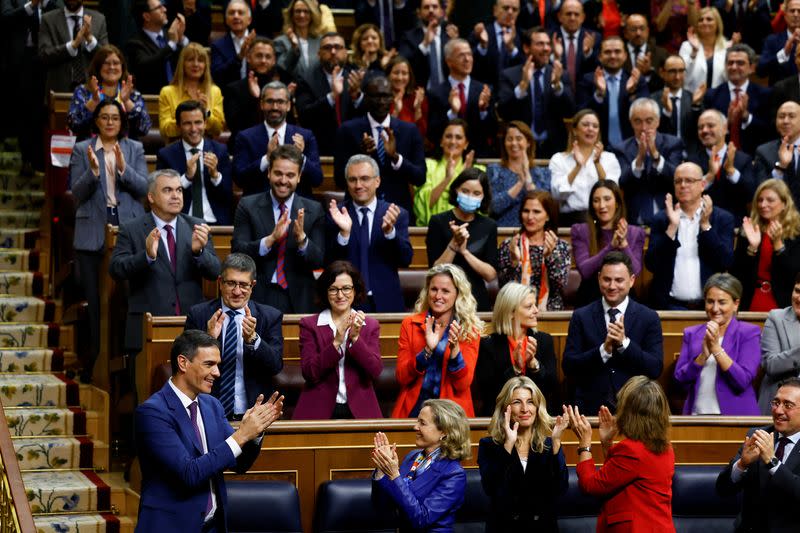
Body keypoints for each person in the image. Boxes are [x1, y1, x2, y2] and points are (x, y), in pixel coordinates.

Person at [135, 330, 283, 533]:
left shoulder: (212, 405)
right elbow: (189, 473)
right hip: (171, 526)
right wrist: (241, 435)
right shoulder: (152, 412)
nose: (217, 373)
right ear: (183, 363)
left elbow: (239, 464)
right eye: (209, 364)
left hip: (213, 526)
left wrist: (255, 432)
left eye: (217, 365)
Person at [70, 98, 148, 383]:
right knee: (96, 303)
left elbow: (145, 189)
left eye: (115, 117)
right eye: (105, 117)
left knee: (128, 300)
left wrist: (124, 170)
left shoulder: (134, 148)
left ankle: (126, 367)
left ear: (121, 121)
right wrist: (93, 172)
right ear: (97, 120)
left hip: (127, 227)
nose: (110, 122)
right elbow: (76, 193)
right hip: (92, 233)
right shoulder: (82, 149)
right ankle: (96, 364)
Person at [109, 169, 221, 359]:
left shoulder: (197, 226)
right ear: (151, 197)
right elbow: (116, 269)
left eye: (179, 190)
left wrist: (198, 252)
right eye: (168, 190)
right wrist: (147, 256)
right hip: (148, 327)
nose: (176, 196)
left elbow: (215, 272)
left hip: (191, 328)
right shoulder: (131, 228)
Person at [184, 253, 284, 420]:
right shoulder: (199, 315)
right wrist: (208, 339)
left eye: (243, 285)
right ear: (220, 283)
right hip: (207, 413)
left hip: (253, 414)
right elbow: (185, 367)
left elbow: (275, 366)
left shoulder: (269, 316)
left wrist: (253, 339)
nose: (237, 291)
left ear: (253, 285)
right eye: (231, 283)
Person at [569, 376, 675, 532]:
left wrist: (584, 445)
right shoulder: (667, 449)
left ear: (629, 412)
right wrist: (607, 444)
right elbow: (618, 477)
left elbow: (591, 486)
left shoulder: (631, 450)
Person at [562, 252, 663, 413]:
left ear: (632, 281)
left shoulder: (649, 317)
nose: (612, 286)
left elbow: (655, 368)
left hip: (635, 409)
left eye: (619, 280)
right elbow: (569, 366)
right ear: (598, 278)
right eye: (607, 279)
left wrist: (625, 344)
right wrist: (604, 350)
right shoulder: (581, 316)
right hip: (589, 408)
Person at [231, 145, 324, 314]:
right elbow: (237, 253)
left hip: (300, 297)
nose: (283, 180)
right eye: (278, 173)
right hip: (258, 296)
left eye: (290, 175)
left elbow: (319, 260)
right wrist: (270, 240)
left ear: (299, 177)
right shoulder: (247, 205)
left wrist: (302, 240)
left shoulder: (314, 209)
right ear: (268, 173)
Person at [392, 264, 484, 418]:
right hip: (414, 409)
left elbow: (462, 385)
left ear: (458, 294)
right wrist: (427, 350)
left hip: (452, 414)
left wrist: (455, 350)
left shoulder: (469, 329)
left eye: (445, 291)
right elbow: (402, 377)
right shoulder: (410, 324)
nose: (438, 296)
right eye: (434, 289)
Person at [477, 376, 568, 532]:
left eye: (531, 402)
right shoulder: (489, 445)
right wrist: (508, 445)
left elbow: (560, 489)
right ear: (506, 408)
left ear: (537, 407)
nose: (525, 409)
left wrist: (556, 443)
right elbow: (491, 488)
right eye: (517, 402)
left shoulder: (548, 445)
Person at [295, 260, 383, 419]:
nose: (340, 295)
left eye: (346, 288)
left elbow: (375, 371)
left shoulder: (370, 325)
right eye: (333, 289)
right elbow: (310, 373)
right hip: (318, 408)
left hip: (360, 409)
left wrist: (355, 339)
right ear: (325, 292)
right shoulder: (309, 325)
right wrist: (336, 342)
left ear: (355, 290)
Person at [326, 155, 412, 313]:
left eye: (365, 178)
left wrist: (390, 233)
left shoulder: (395, 213)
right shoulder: (336, 214)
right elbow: (329, 262)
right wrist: (344, 235)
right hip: (346, 302)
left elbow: (406, 259)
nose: (358, 185)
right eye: (352, 179)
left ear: (377, 181)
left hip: (387, 301)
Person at [334, 75, 427, 219]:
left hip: (397, 212)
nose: (381, 102)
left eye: (385, 96)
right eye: (375, 97)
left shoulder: (409, 131)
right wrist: (362, 156)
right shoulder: (348, 130)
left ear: (392, 98)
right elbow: (339, 180)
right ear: (365, 97)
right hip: (358, 213)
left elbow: (420, 177)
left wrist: (395, 157)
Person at [645, 162, 735, 310]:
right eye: (678, 181)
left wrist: (706, 226)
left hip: (710, 308)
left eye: (689, 180)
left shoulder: (721, 218)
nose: (683, 185)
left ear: (703, 185)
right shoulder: (662, 219)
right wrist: (672, 228)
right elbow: (651, 264)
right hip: (670, 306)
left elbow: (725, 262)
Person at [371, 399, 470, 531]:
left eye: (422, 423)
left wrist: (394, 475)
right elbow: (383, 507)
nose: (415, 427)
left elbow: (421, 519)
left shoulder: (453, 474)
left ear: (444, 432)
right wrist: (382, 469)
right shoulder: (412, 457)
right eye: (417, 421)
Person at [716, 376, 800, 531]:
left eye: (787, 405)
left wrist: (772, 462)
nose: (778, 410)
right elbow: (722, 489)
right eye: (776, 403)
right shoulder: (757, 434)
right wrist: (742, 465)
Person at [673, 273, 762, 415]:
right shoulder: (692, 333)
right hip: (696, 416)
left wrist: (716, 349)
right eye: (710, 301)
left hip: (737, 417)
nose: (714, 308)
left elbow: (742, 381)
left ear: (736, 304)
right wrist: (702, 357)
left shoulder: (749, 333)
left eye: (722, 302)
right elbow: (680, 381)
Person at [475, 283, 557, 416]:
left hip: (538, 418)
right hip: (500, 418)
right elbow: (489, 392)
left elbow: (551, 387)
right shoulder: (488, 344)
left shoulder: (544, 340)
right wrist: (516, 369)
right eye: (529, 306)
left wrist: (533, 364)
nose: (536, 310)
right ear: (511, 312)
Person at [233, 81, 322, 198]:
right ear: (262, 104)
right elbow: (240, 180)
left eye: (280, 102)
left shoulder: (305, 136)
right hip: (258, 208)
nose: (275, 107)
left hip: (297, 207)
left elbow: (317, 180)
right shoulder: (245, 137)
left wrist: (300, 157)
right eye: (270, 101)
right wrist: (267, 159)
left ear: (289, 105)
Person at [497, 26, 574, 159]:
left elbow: (570, 111)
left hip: (553, 149)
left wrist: (557, 86)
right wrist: (522, 87)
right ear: (527, 48)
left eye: (548, 44)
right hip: (520, 149)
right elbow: (503, 112)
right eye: (540, 44)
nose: (546, 49)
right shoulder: (510, 75)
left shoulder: (559, 74)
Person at [427, 168, 498, 311]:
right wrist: (454, 244)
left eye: (476, 193)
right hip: (443, 299)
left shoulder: (489, 225)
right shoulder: (438, 221)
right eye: (465, 191)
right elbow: (435, 270)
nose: (470, 196)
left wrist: (465, 252)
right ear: (455, 191)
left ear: (484, 196)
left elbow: (490, 275)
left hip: (476, 300)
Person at [156, 100, 233, 225]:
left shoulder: (220, 151)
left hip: (215, 223)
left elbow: (228, 195)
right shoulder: (166, 155)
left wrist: (215, 175)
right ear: (178, 126)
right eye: (187, 123)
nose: (193, 129)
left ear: (205, 123)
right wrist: (186, 178)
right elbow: (162, 196)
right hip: (180, 223)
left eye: (198, 122)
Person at [570, 179, 645, 306]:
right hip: (590, 299)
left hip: (624, 298)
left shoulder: (635, 233)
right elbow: (585, 270)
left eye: (607, 199)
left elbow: (636, 272)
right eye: (596, 200)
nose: (601, 205)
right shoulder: (580, 231)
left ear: (617, 203)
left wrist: (624, 245)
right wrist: (611, 246)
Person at [613, 97, 685, 225]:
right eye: (638, 121)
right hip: (634, 221)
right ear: (631, 123)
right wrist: (639, 158)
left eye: (649, 121)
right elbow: (622, 182)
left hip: (668, 219)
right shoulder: (622, 149)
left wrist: (656, 156)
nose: (644, 127)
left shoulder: (672, 144)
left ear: (658, 121)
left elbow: (677, 178)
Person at [732, 179, 800, 311]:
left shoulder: (797, 232)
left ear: (784, 204)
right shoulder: (749, 229)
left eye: (770, 200)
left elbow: (793, 275)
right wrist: (752, 248)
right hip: (751, 300)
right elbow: (737, 275)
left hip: (784, 303)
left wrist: (778, 245)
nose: (763, 204)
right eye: (760, 200)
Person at [294, 31, 364, 155]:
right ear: (318, 54)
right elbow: (304, 115)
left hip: (353, 148)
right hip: (318, 148)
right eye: (327, 48)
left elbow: (367, 117)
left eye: (337, 47)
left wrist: (357, 97)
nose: (333, 52)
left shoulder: (358, 77)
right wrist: (332, 97)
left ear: (346, 53)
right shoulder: (305, 78)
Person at [498, 191, 570, 311]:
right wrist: (514, 262)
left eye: (536, 212)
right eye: (526, 211)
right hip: (515, 310)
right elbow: (504, 287)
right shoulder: (510, 245)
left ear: (547, 216)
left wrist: (549, 257)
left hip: (549, 311)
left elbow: (560, 285)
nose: (530, 217)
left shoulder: (560, 246)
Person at [549, 109, 621, 226]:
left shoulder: (609, 158)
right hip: (571, 220)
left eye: (595, 126)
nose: (590, 129)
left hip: (602, 219)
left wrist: (597, 163)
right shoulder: (559, 159)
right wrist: (577, 167)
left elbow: (613, 191)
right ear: (575, 130)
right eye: (585, 125)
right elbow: (557, 195)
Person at [427, 38, 495, 157]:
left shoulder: (483, 90)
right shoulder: (435, 93)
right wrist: (452, 112)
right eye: (461, 55)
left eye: (469, 54)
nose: (467, 59)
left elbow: (492, 131)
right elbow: (433, 133)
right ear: (449, 61)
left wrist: (483, 111)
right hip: (447, 157)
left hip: (478, 156)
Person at [67, 44, 151, 141]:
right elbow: (74, 125)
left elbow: (144, 128)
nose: (111, 67)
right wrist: (93, 101)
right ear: (98, 66)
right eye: (106, 63)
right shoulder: (83, 92)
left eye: (116, 63)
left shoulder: (133, 95)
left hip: (125, 152)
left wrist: (127, 101)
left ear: (122, 67)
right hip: (89, 151)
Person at [576, 36, 647, 150]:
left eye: (617, 52)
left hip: (631, 147)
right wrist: (599, 94)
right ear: (600, 56)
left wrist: (629, 93)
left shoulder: (637, 80)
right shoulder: (588, 80)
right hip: (596, 146)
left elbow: (644, 115)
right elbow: (581, 115)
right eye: (608, 52)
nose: (613, 56)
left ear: (625, 56)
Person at [223, 37, 294, 148]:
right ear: (248, 57)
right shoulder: (234, 89)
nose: (263, 61)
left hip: (280, 150)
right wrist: (254, 99)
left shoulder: (283, 89)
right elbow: (235, 126)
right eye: (259, 56)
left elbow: (290, 126)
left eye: (268, 57)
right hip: (245, 148)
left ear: (274, 60)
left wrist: (287, 102)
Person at [686, 109, 756, 222]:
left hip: (735, 225)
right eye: (700, 127)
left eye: (710, 125)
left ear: (725, 128)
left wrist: (731, 171)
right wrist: (709, 176)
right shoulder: (692, 161)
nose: (704, 130)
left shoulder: (743, 159)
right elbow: (687, 195)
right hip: (700, 223)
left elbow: (751, 194)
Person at [703, 43, 771, 155]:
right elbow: (705, 131)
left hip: (755, 155)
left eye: (740, 63)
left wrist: (746, 116)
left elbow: (770, 130)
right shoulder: (712, 95)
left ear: (752, 67)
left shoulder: (765, 94)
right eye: (730, 63)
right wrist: (727, 122)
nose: (734, 67)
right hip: (720, 155)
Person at [414, 119, 484, 226]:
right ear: (441, 141)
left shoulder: (478, 170)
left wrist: (465, 177)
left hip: (467, 231)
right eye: (448, 136)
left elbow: (481, 210)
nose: (453, 141)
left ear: (466, 144)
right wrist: (447, 179)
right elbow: (424, 205)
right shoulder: (428, 166)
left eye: (458, 137)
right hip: (433, 230)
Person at [488, 121, 551, 226]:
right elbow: (493, 207)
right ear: (504, 143)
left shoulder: (542, 173)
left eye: (519, 138)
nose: (514, 143)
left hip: (535, 233)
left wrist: (528, 180)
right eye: (509, 139)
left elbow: (546, 207)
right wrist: (519, 184)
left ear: (528, 142)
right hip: (502, 232)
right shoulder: (494, 170)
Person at [158, 42, 225, 142]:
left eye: (200, 60)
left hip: (206, 149)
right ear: (182, 64)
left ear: (206, 65)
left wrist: (206, 112)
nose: (196, 64)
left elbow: (218, 129)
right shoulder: (167, 92)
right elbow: (165, 129)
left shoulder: (214, 91)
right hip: (177, 149)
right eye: (190, 60)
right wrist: (187, 117)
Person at [38, 0, 108, 94]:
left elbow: (106, 58)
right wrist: (72, 46)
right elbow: (44, 55)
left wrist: (90, 39)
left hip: (92, 91)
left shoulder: (99, 19)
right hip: (59, 91)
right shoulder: (48, 19)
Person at [126, 0, 188, 96]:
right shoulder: (135, 43)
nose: (164, 9)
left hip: (179, 94)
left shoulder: (171, 35)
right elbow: (146, 66)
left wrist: (182, 39)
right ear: (147, 16)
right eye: (159, 8)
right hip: (153, 97)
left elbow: (184, 61)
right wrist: (171, 45)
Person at [759, 274, 800, 414]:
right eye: (797, 291)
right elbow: (770, 364)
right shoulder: (777, 318)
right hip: (781, 406)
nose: (799, 298)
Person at [468, 0, 525, 88]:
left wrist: (511, 48)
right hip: (484, 92)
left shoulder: (523, 36)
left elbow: (525, 66)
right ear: (495, 10)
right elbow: (469, 65)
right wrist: (483, 47)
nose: (510, 12)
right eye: (506, 8)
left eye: (514, 9)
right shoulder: (481, 33)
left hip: (513, 93)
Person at [396, 0, 451, 90]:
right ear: (419, 13)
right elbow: (405, 64)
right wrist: (424, 44)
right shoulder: (408, 37)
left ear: (442, 12)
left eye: (435, 7)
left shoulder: (450, 36)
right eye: (426, 7)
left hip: (448, 93)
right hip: (420, 93)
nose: (431, 10)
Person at [653, 54, 703, 153]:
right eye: (672, 71)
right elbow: (654, 131)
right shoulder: (652, 100)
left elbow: (698, 131)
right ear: (662, 73)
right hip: (663, 154)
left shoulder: (693, 98)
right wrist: (667, 112)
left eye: (681, 71)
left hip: (690, 155)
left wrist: (695, 107)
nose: (677, 77)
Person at [678, 6, 729, 93]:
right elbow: (682, 78)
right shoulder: (687, 46)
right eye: (700, 20)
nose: (704, 22)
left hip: (718, 99)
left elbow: (729, 79)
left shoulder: (726, 47)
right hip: (692, 98)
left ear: (718, 24)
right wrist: (694, 53)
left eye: (709, 19)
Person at [554, 0, 601, 94]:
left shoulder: (594, 37)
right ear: (559, 16)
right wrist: (556, 57)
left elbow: (598, 69)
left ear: (583, 17)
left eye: (576, 14)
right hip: (557, 95)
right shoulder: (550, 37)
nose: (572, 18)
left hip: (585, 95)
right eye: (568, 14)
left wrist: (588, 53)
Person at [273, 0, 324, 80]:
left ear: (312, 15)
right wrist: (294, 48)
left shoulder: (321, 40)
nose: (302, 15)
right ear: (291, 15)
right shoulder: (280, 41)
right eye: (298, 11)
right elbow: (282, 69)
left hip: (317, 89)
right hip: (293, 89)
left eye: (306, 11)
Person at [754, 100, 800, 186]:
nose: (785, 121)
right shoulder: (764, 152)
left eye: (791, 116)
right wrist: (781, 167)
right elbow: (762, 189)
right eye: (781, 116)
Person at [209, 0, 253, 89]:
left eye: (240, 13)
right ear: (226, 20)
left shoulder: (259, 42)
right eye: (232, 13)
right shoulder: (218, 46)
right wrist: (239, 58)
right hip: (229, 96)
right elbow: (217, 76)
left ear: (249, 20)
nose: (236, 16)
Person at [622, 13, 668, 93]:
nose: (638, 33)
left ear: (647, 31)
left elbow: (665, 84)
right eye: (633, 29)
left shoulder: (661, 54)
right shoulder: (617, 53)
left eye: (642, 29)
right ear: (625, 33)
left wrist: (648, 73)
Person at [757, 0, 800, 85]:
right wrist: (784, 53)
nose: (796, 14)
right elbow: (761, 71)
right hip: (780, 95)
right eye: (792, 11)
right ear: (785, 15)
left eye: (799, 11)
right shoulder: (772, 40)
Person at [385, 55, 428, 139]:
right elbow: (383, 133)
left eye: (404, 73)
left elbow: (421, 134)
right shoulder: (381, 98)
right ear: (388, 74)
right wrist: (396, 111)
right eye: (396, 73)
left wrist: (417, 109)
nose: (400, 78)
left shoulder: (417, 98)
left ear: (410, 76)